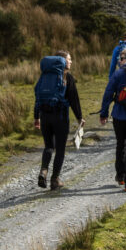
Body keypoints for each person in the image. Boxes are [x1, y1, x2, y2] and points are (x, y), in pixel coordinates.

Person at [33, 50, 83, 190]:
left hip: (45, 115)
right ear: (62, 61)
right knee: (60, 149)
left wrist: (36, 117)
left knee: (48, 146)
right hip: (60, 117)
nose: (71, 62)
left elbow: (37, 97)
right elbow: (74, 100)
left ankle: (44, 170)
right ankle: (55, 180)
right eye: (69, 59)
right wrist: (79, 117)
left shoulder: (44, 77)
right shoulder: (67, 77)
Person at [99, 48, 126, 192]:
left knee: (121, 145)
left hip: (119, 116)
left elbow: (108, 94)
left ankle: (121, 176)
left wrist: (104, 113)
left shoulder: (117, 74)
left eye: (122, 58)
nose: (119, 61)